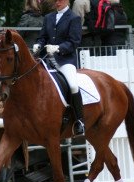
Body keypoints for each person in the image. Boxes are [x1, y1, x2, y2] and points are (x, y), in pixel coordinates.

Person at [33, 0, 84, 136]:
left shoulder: (74, 18)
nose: (57, 3)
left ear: (67, 1)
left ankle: (79, 120)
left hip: (65, 59)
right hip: (46, 59)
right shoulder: (48, 17)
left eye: (60, 0)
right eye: (55, 0)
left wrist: (58, 48)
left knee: (73, 85)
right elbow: (42, 37)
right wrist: (38, 44)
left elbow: (74, 42)